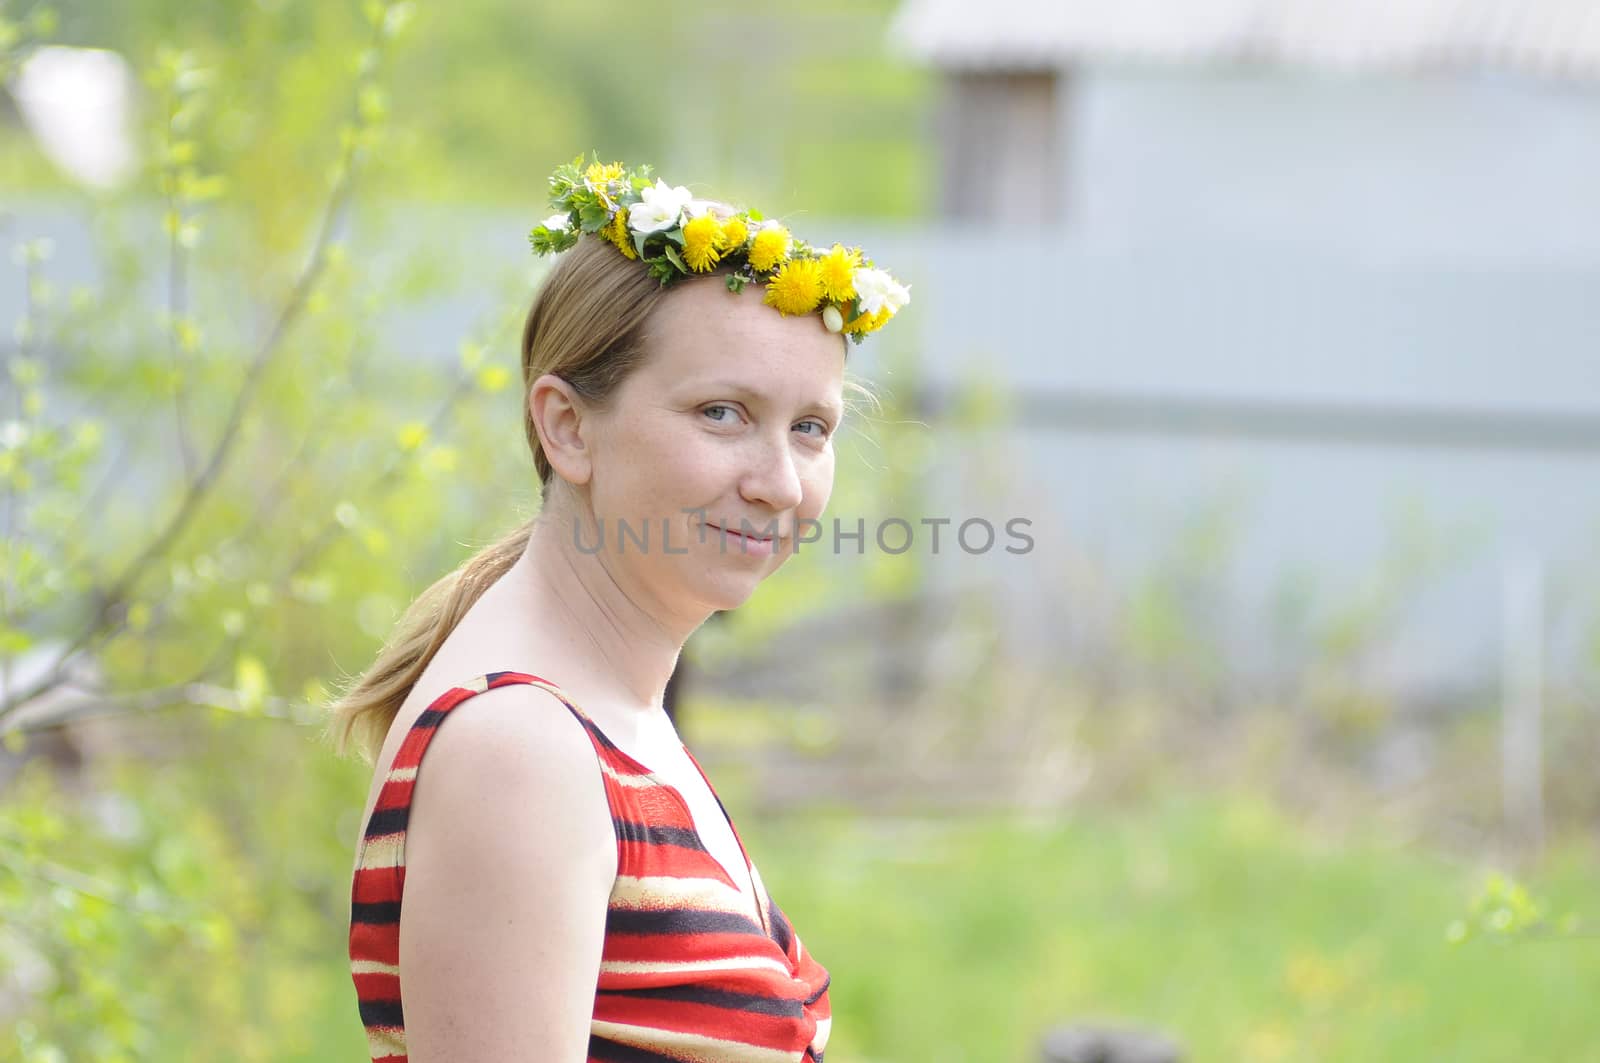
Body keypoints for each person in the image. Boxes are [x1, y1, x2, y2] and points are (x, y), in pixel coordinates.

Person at [330, 159, 908, 1063]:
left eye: (811, 427)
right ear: (567, 426)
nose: (779, 483)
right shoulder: (518, 748)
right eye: (722, 412)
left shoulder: (612, 711)